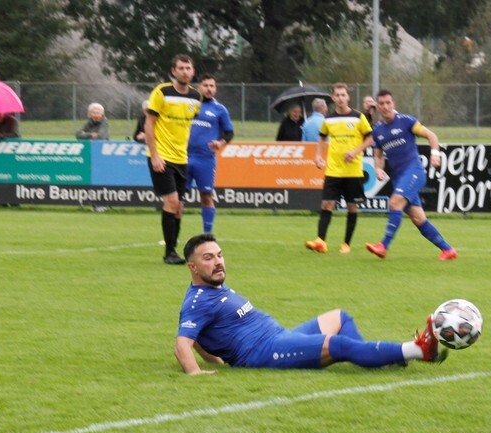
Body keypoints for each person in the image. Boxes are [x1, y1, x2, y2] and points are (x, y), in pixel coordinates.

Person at [174, 233, 445, 374]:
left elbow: (199, 337)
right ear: (193, 267)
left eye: (219, 255)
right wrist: (196, 371)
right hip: (264, 353)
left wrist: (216, 359)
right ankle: (420, 351)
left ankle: (376, 358)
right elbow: (183, 343)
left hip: (279, 336)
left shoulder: (215, 288)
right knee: (337, 344)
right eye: (209, 258)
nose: (218, 262)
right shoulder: (197, 301)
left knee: (340, 317)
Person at [365, 90, 457, 261]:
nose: (385, 106)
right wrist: (378, 169)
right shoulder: (377, 131)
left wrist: (435, 154)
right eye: (382, 104)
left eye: (388, 103)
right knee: (418, 219)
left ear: (394, 104)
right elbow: (378, 156)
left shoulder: (406, 121)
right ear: (378, 107)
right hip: (399, 178)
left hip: (414, 172)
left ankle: (383, 246)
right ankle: (447, 250)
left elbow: (431, 135)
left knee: (394, 202)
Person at [146, 54, 204, 265]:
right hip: (162, 157)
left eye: (188, 68)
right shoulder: (162, 92)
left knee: (179, 206)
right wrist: (154, 155)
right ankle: (169, 253)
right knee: (170, 202)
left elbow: (187, 126)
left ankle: (174, 250)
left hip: (181, 158)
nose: (185, 71)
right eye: (181, 68)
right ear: (173, 71)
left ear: (193, 71)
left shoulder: (196, 97)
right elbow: (149, 123)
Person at [305, 82, 373, 254]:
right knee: (327, 203)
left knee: (352, 207)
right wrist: (318, 156)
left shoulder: (358, 117)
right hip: (333, 170)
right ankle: (321, 241)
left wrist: (356, 151)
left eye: (343, 95)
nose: (341, 98)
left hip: (353, 171)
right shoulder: (328, 119)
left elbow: (370, 139)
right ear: (333, 98)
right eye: (338, 95)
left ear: (348, 97)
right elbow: (322, 138)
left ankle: (346, 244)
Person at [187, 74, 234, 233]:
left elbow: (229, 133)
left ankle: (207, 234)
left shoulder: (219, 109)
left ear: (215, 88)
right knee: (176, 198)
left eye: (212, 86)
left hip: (205, 159)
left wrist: (220, 143)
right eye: (206, 85)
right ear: (198, 87)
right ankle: (171, 237)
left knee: (206, 196)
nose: (209, 89)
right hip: (183, 157)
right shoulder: (189, 105)